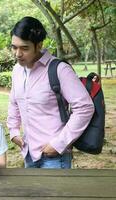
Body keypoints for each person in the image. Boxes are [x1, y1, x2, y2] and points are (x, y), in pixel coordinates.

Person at [7, 16, 94, 168]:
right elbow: (14, 102)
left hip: (54, 158)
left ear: (39, 45)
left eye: (24, 48)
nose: (17, 54)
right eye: (14, 47)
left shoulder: (60, 69)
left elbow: (85, 107)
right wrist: (14, 131)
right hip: (28, 153)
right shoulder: (17, 70)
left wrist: (59, 143)